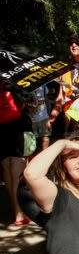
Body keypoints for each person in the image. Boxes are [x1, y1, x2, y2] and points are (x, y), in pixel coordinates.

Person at [0, 80, 32, 225]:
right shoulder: (16, 80)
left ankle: (15, 208)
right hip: (19, 126)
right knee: (18, 165)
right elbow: (28, 100)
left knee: (6, 166)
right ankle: (20, 213)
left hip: (1, 127)